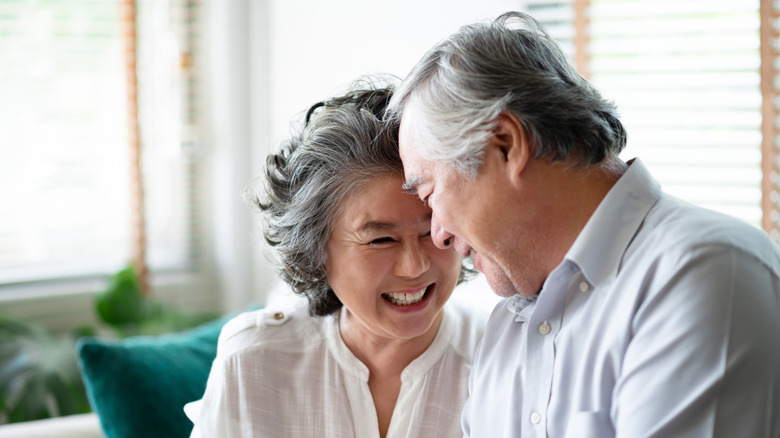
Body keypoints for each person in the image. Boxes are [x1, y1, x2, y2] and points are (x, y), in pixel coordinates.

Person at [387, 11, 780, 438]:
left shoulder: (704, 272)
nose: (439, 233)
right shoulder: (507, 328)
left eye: (430, 195)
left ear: (506, 145)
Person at [184, 79, 487, 438]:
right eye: (381, 240)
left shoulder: (501, 358)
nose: (416, 266)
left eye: (430, 231)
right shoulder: (253, 360)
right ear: (316, 251)